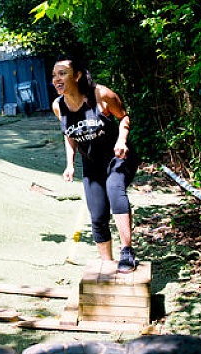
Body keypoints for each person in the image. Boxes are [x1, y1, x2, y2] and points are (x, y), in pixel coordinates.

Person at [51, 55, 139, 273]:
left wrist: (121, 140)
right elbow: (69, 134)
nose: (56, 79)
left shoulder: (100, 94)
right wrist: (70, 163)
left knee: (114, 188)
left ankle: (127, 251)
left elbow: (124, 118)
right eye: (54, 75)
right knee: (97, 212)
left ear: (78, 75)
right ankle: (107, 264)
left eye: (62, 73)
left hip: (118, 157)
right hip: (91, 164)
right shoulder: (58, 106)